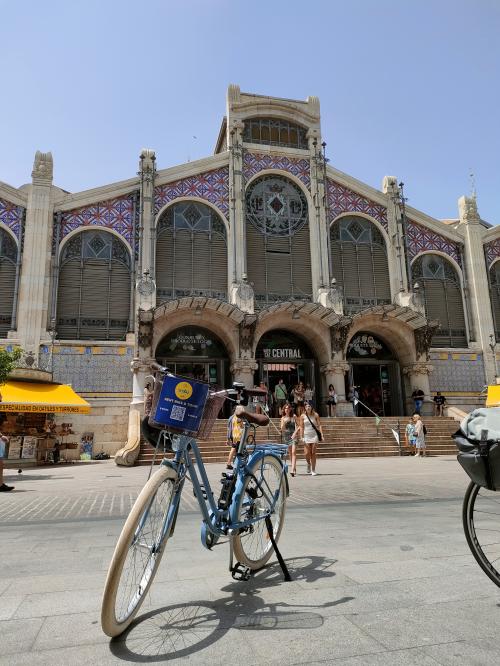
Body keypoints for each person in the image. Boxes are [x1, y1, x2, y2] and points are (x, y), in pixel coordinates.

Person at [300, 402, 324, 476]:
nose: (308, 407)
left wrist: (322, 435)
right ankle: (308, 463)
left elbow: (319, 425)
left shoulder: (316, 415)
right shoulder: (302, 416)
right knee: (307, 453)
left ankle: (313, 470)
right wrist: (301, 437)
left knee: (313, 452)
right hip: (306, 435)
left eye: (309, 406)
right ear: (305, 408)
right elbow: (301, 427)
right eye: (307, 406)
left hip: (314, 435)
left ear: (311, 407)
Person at [280, 403, 299, 477]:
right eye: (285, 408)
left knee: (294, 452)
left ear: (290, 409)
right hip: (286, 436)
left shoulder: (294, 416)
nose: (287, 410)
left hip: (294, 436)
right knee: (290, 453)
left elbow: (299, 426)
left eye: (288, 408)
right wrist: (284, 422)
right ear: (284, 410)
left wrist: (295, 433)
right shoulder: (283, 418)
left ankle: (292, 470)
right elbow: (282, 429)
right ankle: (293, 467)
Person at [225, 405, 245, 470]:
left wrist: (228, 438)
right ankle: (233, 463)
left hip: (234, 435)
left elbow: (230, 428)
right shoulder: (239, 418)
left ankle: (231, 463)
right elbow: (242, 426)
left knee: (234, 449)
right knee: (236, 450)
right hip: (239, 436)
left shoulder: (232, 417)